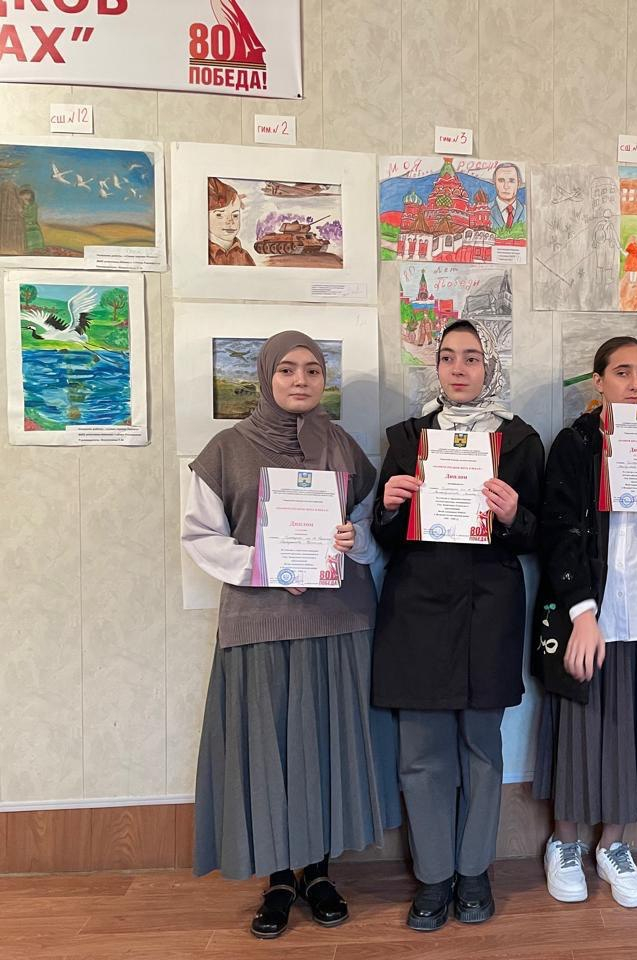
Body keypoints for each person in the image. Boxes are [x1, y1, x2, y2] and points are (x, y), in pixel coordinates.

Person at [181, 331, 399, 940]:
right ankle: (278, 879)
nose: (300, 380)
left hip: (338, 621)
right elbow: (199, 536)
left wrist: (356, 541)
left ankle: (320, 873)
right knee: (270, 747)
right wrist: (265, 564)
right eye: (286, 369)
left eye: (312, 370)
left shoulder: (345, 448)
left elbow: (368, 526)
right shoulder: (226, 450)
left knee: (327, 747)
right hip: (262, 625)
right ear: (265, 376)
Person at [371, 319, 544, 933]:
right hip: (417, 607)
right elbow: (384, 536)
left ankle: (473, 872)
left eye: (472, 358)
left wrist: (516, 514)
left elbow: (539, 535)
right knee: (421, 753)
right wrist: (389, 505)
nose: (460, 369)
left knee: (481, 747)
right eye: (449, 357)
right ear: (437, 366)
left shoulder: (520, 441)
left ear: (489, 367)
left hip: (488, 607)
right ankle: (433, 876)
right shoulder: (407, 438)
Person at [532, 336, 637, 909]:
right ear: (598, 381)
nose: (634, 383)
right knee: (582, 725)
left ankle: (614, 845)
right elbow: (557, 532)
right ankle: (565, 843)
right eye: (621, 372)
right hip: (591, 609)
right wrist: (582, 614)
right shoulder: (575, 443)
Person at [208, 176, 256, 266]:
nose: (230, 221)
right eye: (219, 215)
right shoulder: (205, 254)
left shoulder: (244, 256)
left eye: (235, 215)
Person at [488, 162, 526, 229]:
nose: (506, 186)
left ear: (519, 183)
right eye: (501, 180)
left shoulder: (527, 211)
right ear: (494, 182)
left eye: (511, 181)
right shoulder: (485, 210)